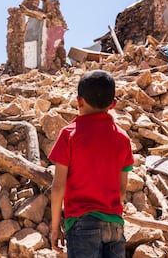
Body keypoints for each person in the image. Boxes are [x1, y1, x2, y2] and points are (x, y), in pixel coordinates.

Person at [49, 70, 134, 258]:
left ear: (79, 101)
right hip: (115, 226)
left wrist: (55, 228)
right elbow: (121, 192)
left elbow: (58, 186)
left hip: (82, 225)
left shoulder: (69, 134)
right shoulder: (123, 138)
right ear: (113, 105)